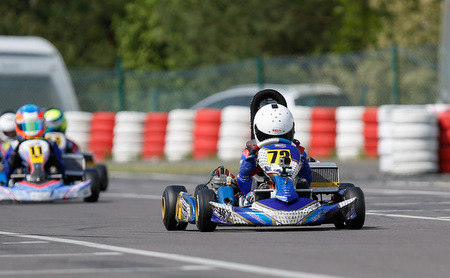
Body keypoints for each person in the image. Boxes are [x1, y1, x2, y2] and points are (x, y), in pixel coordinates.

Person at [236, 103, 312, 202]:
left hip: (296, 194)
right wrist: (244, 175)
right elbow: (243, 186)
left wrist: (306, 171)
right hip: (258, 197)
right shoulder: (249, 154)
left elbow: (308, 181)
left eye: (283, 136)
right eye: (268, 136)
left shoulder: (298, 151)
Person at [3, 104, 65, 181]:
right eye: (28, 126)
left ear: (43, 124)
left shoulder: (50, 143)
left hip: (49, 181)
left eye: (35, 125)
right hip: (22, 183)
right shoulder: (15, 145)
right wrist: (12, 162)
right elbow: (7, 172)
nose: (31, 130)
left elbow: (62, 169)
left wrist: (55, 161)